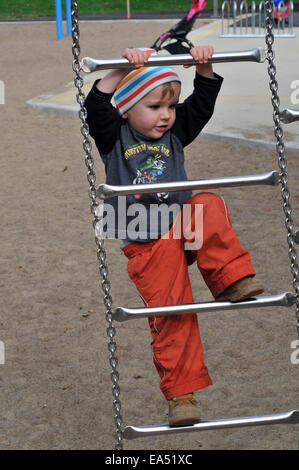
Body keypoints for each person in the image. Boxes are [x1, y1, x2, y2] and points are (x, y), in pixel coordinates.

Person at [84, 46, 264, 427]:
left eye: (170, 106)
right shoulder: (113, 136)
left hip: (182, 226)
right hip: (146, 242)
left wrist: (205, 67)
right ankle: (182, 394)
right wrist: (121, 67)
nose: (165, 116)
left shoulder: (175, 131)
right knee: (172, 310)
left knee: (209, 202)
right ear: (127, 108)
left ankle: (232, 279)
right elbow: (96, 103)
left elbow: (200, 106)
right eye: (154, 107)